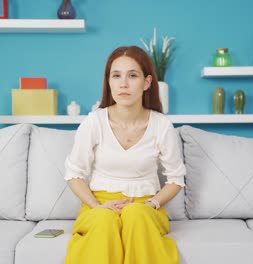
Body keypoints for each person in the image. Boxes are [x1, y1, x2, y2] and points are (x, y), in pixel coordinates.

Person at [64, 46, 186, 264]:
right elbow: (74, 174)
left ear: (147, 83)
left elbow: (176, 179)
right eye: (116, 75)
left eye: (132, 75)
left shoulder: (161, 125)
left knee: (136, 216)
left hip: (145, 207)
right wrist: (97, 206)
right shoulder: (94, 122)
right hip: (99, 205)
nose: (123, 84)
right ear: (108, 81)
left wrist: (152, 204)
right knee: (104, 220)